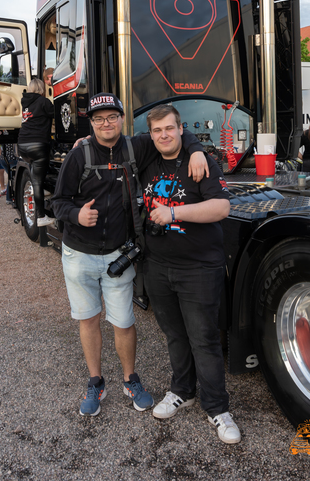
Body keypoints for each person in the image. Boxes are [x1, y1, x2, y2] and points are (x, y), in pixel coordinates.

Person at [51, 93, 207, 418]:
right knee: (89, 319)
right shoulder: (79, 155)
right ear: (90, 123)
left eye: (112, 117)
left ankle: (129, 379)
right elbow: (58, 201)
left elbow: (175, 132)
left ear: (122, 119)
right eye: (98, 119)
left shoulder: (136, 146)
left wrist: (197, 150)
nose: (106, 123)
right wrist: (76, 214)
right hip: (79, 254)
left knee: (123, 321)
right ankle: (96, 382)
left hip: (118, 254)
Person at [140, 105, 239, 444]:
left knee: (204, 339)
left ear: (181, 129)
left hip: (198, 267)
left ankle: (217, 408)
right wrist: (84, 143)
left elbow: (221, 207)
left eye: (170, 128)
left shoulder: (201, 162)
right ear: (150, 134)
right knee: (174, 335)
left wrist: (173, 212)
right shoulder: (146, 159)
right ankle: (183, 390)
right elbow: (110, 141)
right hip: (157, 266)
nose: (164, 135)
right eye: (157, 131)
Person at [17, 78, 55, 227]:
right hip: (37, 144)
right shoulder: (44, 102)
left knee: (36, 176)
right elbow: (57, 116)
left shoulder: (25, 103)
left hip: (22, 145)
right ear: (41, 89)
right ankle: (41, 217)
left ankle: (42, 190)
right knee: (38, 181)